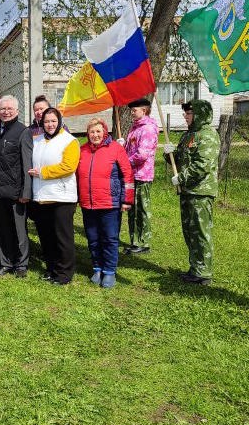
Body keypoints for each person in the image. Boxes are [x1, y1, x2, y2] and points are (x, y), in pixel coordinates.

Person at [164, 99, 220, 285]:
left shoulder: (208, 135)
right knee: (189, 231)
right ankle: (195, 267)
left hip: (201, 192)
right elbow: (179, 160)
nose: (186, 116)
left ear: (199, 114)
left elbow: (202, 165)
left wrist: (181, 178)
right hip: (187, 191)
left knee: (201, 232)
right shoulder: (189, 135)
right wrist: (169, 154)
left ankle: (204, 271)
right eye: (185, 113)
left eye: (189, 113)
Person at [77, 118, 134, 288]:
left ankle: (109, 271)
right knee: (93, 238)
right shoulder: (82, 150)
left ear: (105, 132)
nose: (95, 135)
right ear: (88, 134)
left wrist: (127, 199)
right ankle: (97, 267)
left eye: (98, 132)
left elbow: (128, 175)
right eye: (92, 132)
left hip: (110, 203)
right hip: (89, 203)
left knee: (109, 238)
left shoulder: (116, 148)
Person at [28, 108, 79, 285]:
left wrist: (43, 172)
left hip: (61, 197)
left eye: (53, 121)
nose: (50, 125)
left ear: (59, 122)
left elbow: (68, 167)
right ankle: (51, 268)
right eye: (47, 121)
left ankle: (64, 273)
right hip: (41, 197)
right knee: (47, 237)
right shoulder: (38, 140)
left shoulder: (69, 141)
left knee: (62, 238)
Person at [0, 96, 33, 278]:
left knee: (19, 230)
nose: (5, 112)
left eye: (9, 109)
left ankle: (21, 264)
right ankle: (6, 263)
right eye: (2, 108)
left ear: (16, 111)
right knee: (3, 230)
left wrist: (25, 191)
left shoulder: (22, 131)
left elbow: (26, 163)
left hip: (16, 192)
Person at [122, 98, 159, 254]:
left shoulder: (148, 129)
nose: (132, 112)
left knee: (141, 210)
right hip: (132, 175)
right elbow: (131, 148)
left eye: (134, 110)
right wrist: (122, 146)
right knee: (132, 209)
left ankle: (143, 242)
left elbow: (142, 155)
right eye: (131, 110)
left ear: (144, 110)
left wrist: (125, 162)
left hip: (142, 175)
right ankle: (134, 240)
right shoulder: (135, 127)